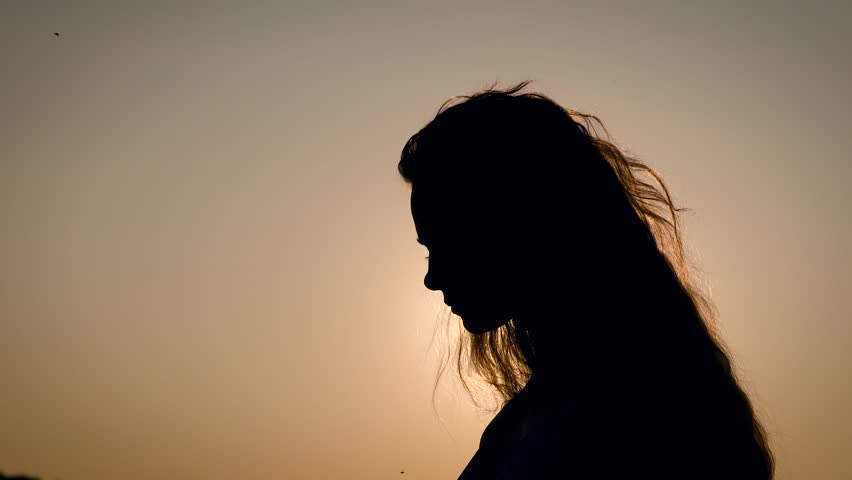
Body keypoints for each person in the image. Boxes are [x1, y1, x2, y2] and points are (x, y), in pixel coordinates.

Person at [398, 82, 774, 479]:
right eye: (429, 249)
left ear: (523, 223)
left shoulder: (637, 411)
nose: (432, 278)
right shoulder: (558, 407)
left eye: (450, 243)